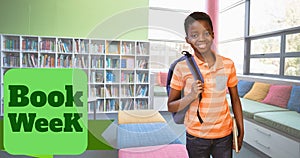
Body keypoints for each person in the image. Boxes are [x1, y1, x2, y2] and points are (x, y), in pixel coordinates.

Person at [167, 12, 244, 158]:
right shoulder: (181, 67)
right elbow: (171, 106)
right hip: (196, 137)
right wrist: (190, 96)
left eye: (206, 33)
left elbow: (235, 99)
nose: (201, 39)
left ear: (213, 34)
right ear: (188, 39)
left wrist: (241, 130)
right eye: (194, 35)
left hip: (224, 135)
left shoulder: (228, 64)